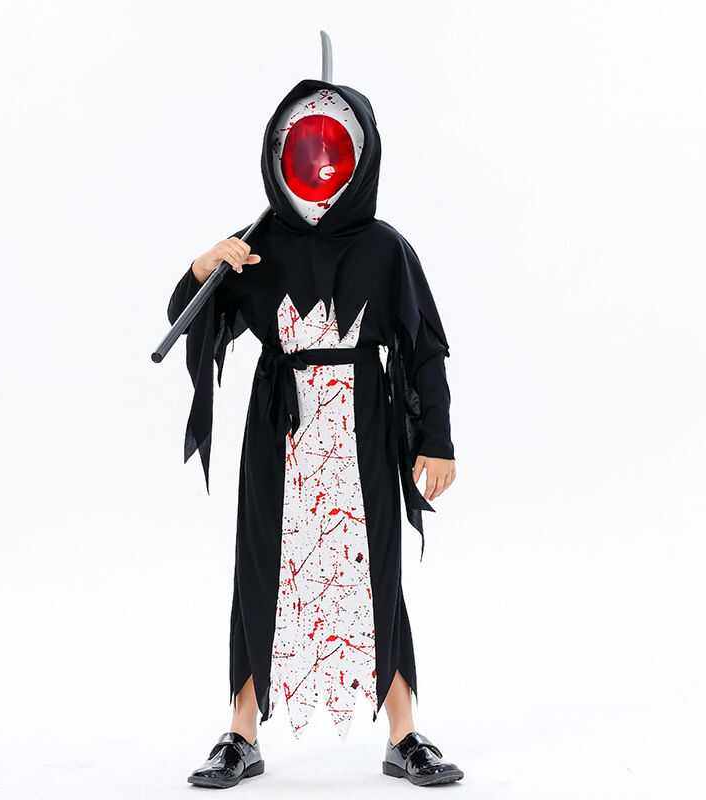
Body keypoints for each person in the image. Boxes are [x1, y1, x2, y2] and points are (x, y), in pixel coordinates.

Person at [167, 80, 463, 788]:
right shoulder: (258, 243)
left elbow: (423, 347)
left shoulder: (385, 250)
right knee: (261, 563)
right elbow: (188, 316)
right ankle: (241, 733)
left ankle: (404, 733)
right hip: (280, 424)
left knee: (377, 566)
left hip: (363, 423)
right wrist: (204, 267)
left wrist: (438, 439)